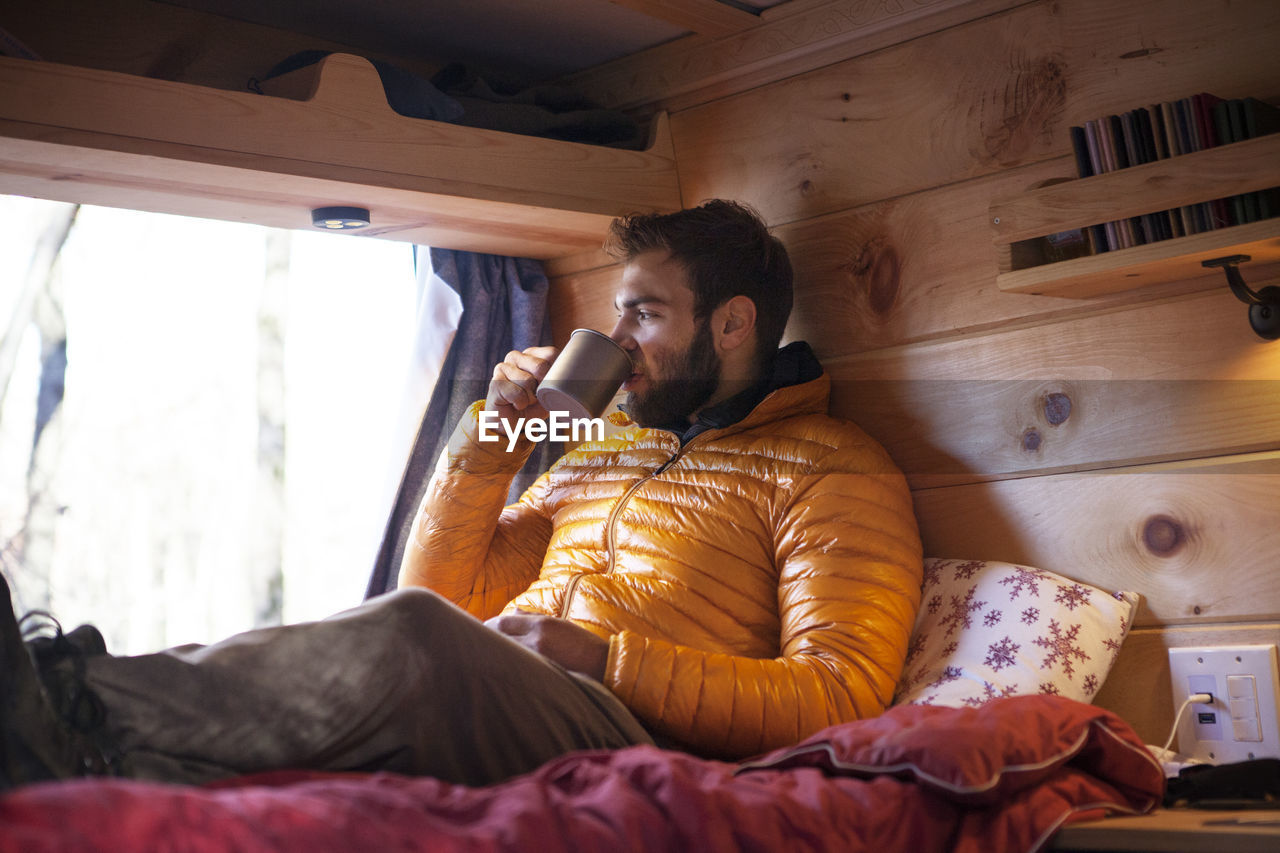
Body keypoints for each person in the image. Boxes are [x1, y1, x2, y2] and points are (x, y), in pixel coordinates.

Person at [1, 199, 922, 792]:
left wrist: (605, 659)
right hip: (514, 684)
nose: (617, 337)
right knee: (404, 644)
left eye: (643, 313)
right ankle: (82, 739)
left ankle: (75, 695)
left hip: (637, 729)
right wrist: (499, 431)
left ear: (732, 324)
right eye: (616, 312)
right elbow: (447, 592)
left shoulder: (834, 466)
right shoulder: (602, 448)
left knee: (413, 640)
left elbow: (837, 696)